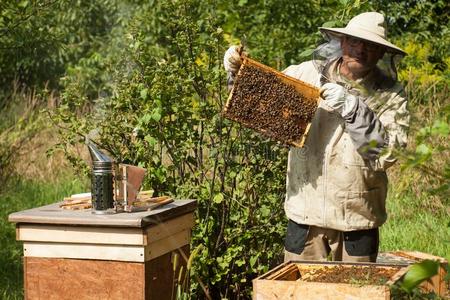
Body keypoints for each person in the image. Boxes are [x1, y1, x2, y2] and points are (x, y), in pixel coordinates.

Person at [223, 12, 409, 262]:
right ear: (342, 42)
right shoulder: (306, 73)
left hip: (357, 215)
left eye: (371, 46)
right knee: (299, 291)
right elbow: (258, 104)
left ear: (381, 53)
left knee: (356, 292)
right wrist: (236, 74)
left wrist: (355, 109)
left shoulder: (391, 95)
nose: (361, 50)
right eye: (355, 42)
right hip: (306, 210)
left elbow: (388, 154)